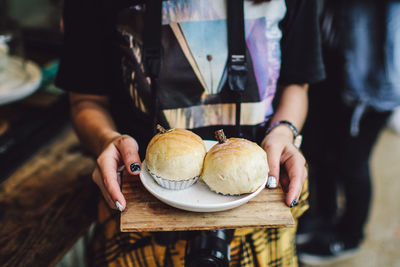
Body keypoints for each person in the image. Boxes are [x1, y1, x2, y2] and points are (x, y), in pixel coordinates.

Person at [56, 0, 325, 266]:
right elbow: (86, 101)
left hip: (259, 217)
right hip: (139, 213)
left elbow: (296, 84)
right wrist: (107, 139)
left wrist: (284, 132)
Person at [297, 0, 400, 265]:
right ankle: (323, 216)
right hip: (334, 60)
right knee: (319, 149)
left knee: (352, 162)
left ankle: (350, 236)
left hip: (373, 82)